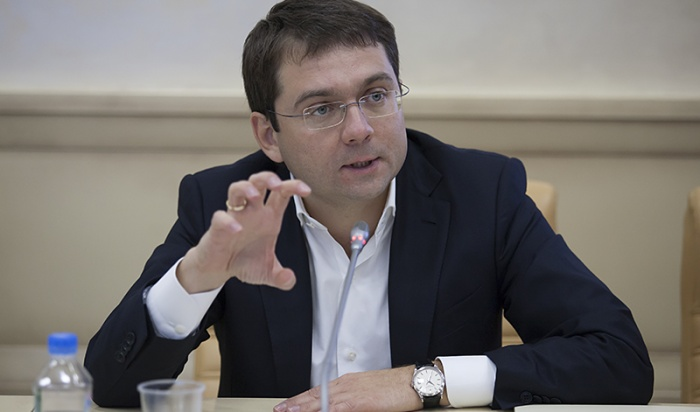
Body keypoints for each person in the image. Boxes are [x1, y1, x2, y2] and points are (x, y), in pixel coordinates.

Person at [84, 0, 654, 410]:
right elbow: (112, 389)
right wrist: (194, 279)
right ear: (269, 135)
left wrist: (423, 382)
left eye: (376, 95)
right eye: (321, 108)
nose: (359, 129)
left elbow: (618, 359)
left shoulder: (482, 193)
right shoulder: (229, 203)